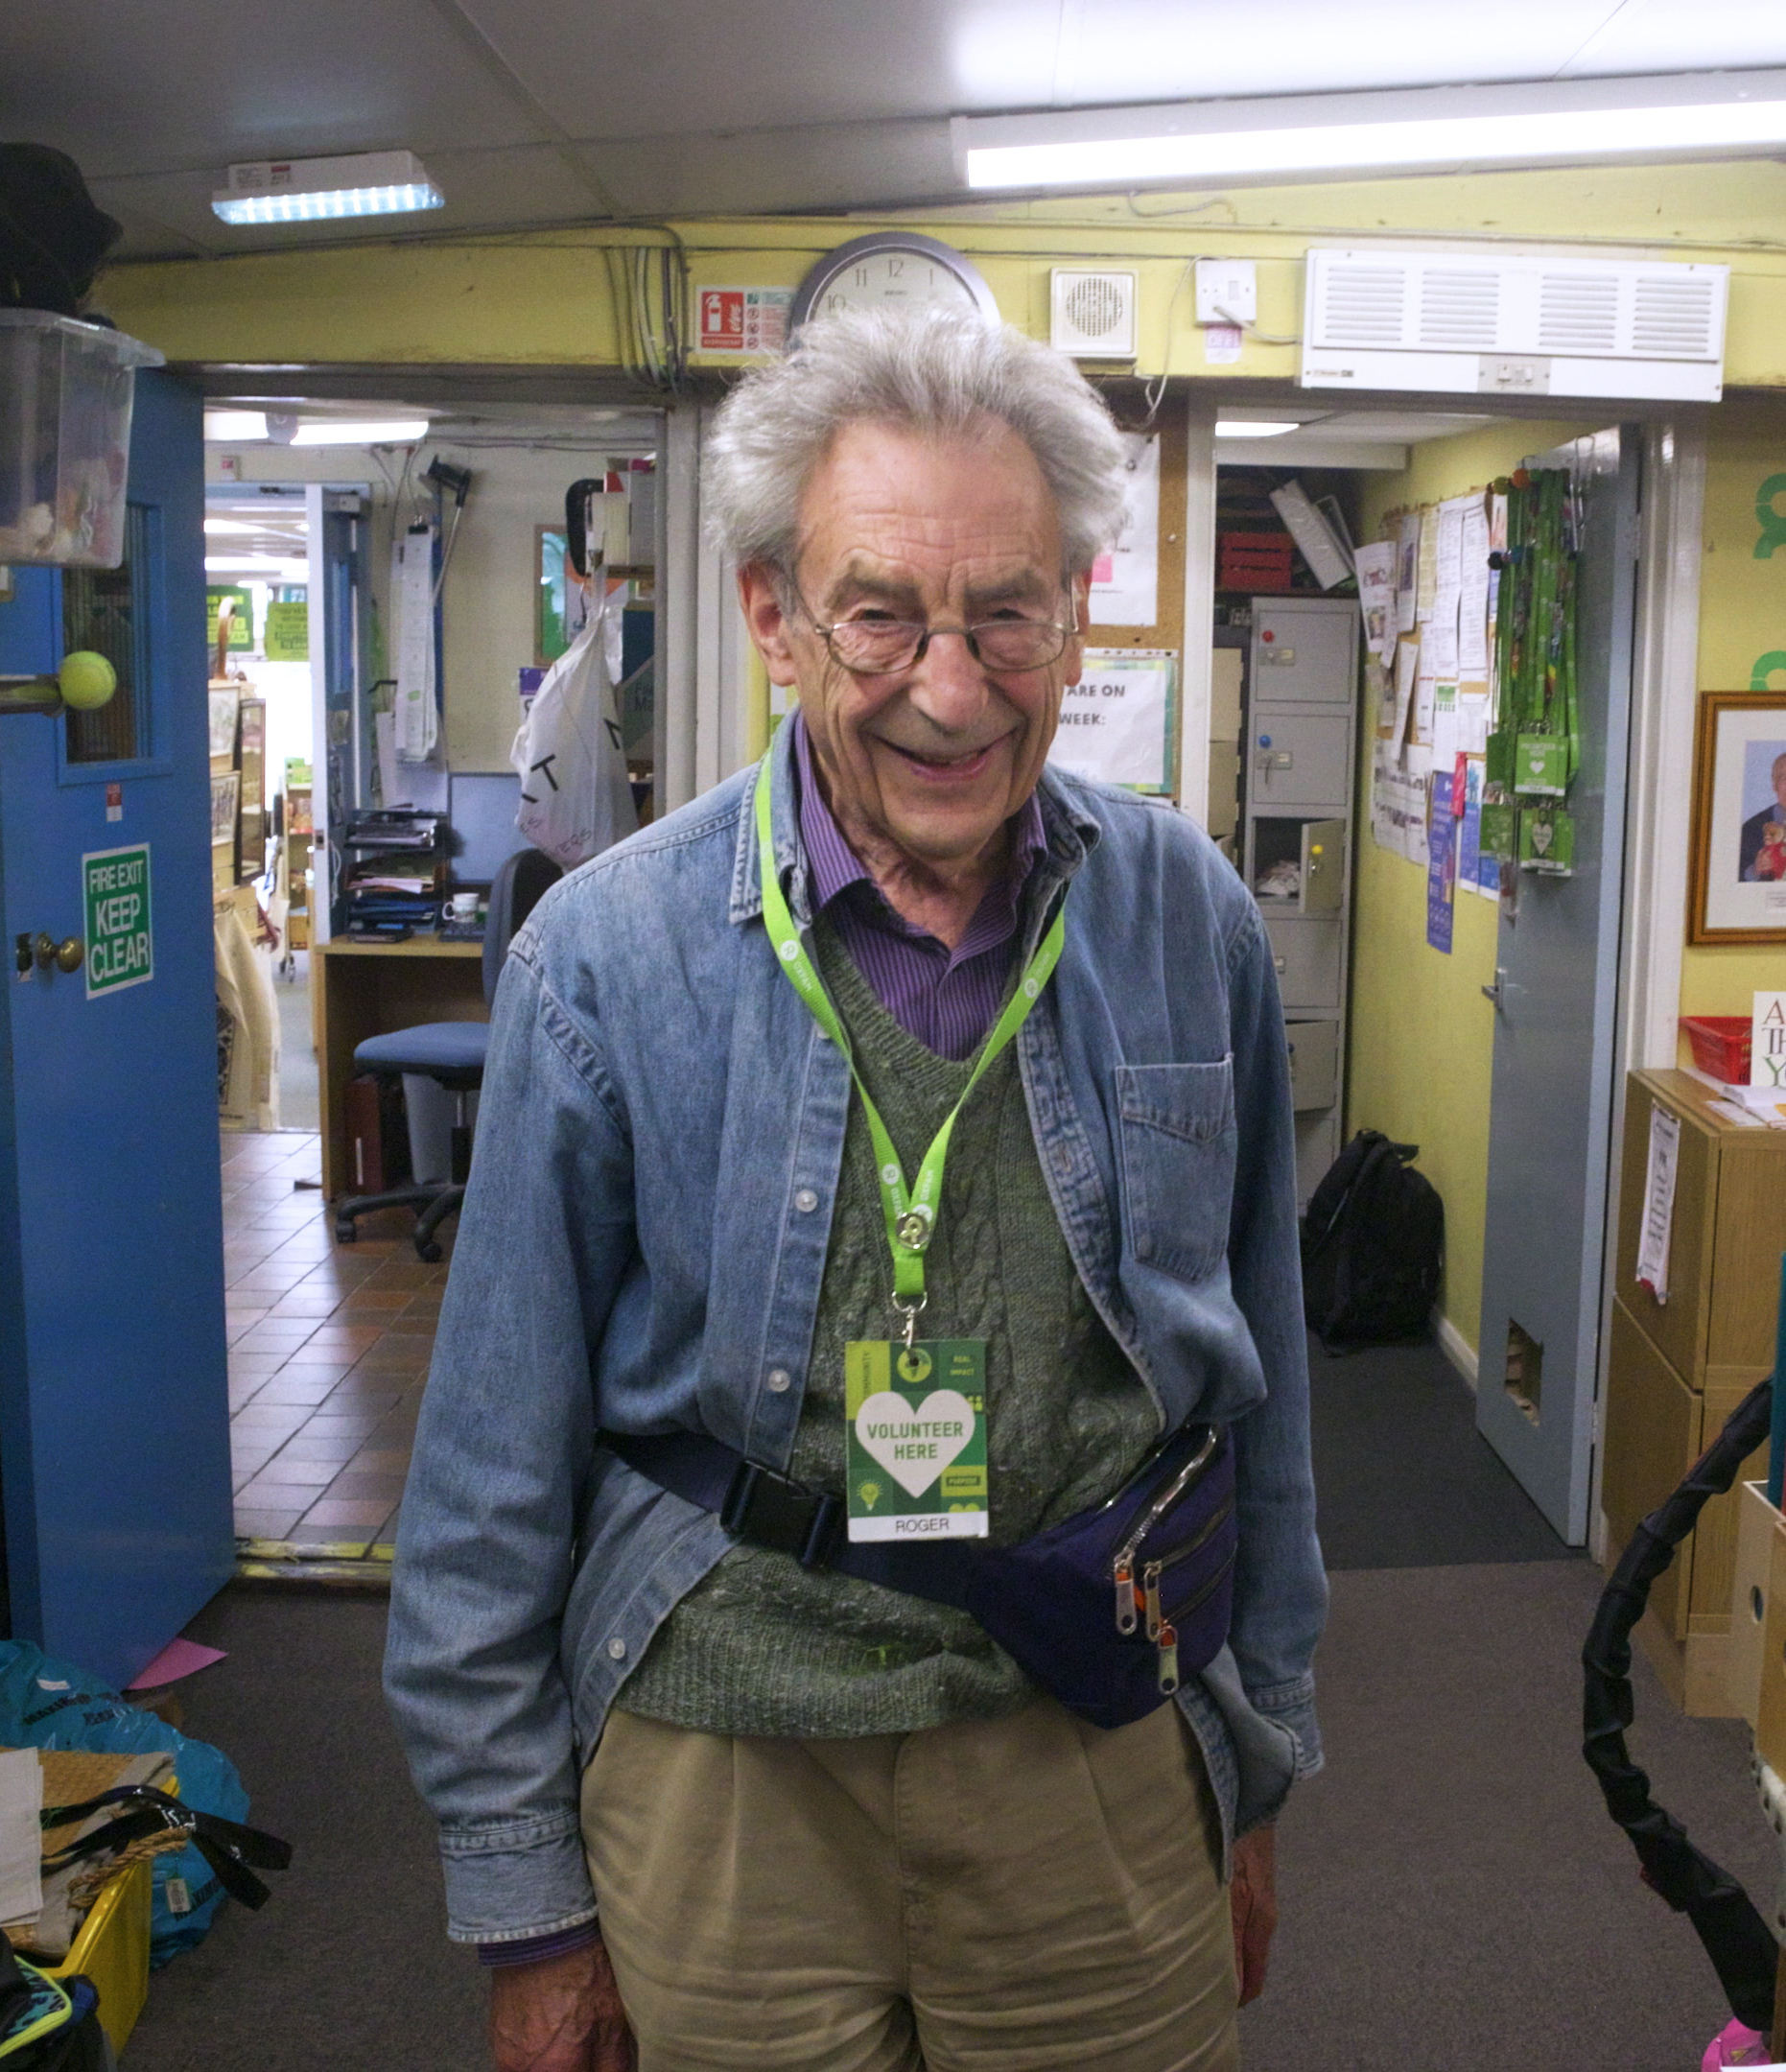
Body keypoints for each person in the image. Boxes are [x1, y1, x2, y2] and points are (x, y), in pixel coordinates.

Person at [387, 305, 1327, 2072]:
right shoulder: (604, 956)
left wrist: (1251, 1754)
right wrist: (525, 1903)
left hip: (1101, 1732)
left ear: (1074, 604)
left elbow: (1255, 1386)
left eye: (1006, 613)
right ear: (772, 617)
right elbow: (488, 1466)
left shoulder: (1186, 918)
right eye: (882, 613)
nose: (950, 689)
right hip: (725, 1751)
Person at [1739, 749, 1786, 880]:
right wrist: (1755, 869)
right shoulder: (1751, 829)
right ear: (1774, 785)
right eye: (1785, 778)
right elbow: (1732, 879)